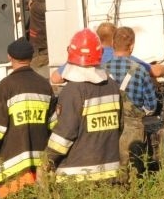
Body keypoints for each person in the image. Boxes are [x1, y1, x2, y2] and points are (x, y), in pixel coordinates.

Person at [0, 38, 57, 198]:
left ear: (9, 57)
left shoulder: (5, 86)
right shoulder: (44, 85)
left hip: (12, 169)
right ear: (32, 57)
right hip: (41, 166)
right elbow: (54, 125)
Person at [44, 29, 122, 182]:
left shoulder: (73, 91)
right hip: (110, 172)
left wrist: (47, 161)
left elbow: (64, 134)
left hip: (77, 176)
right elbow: (120, 126)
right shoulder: (112, 86)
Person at [103, 27, 158, 172]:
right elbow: (151, 106)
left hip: (107, 129)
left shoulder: (101, 70)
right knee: (134, 172)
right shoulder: (140, 70)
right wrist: (139, 113)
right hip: (133, 132)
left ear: (113, 43)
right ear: (132, 46)